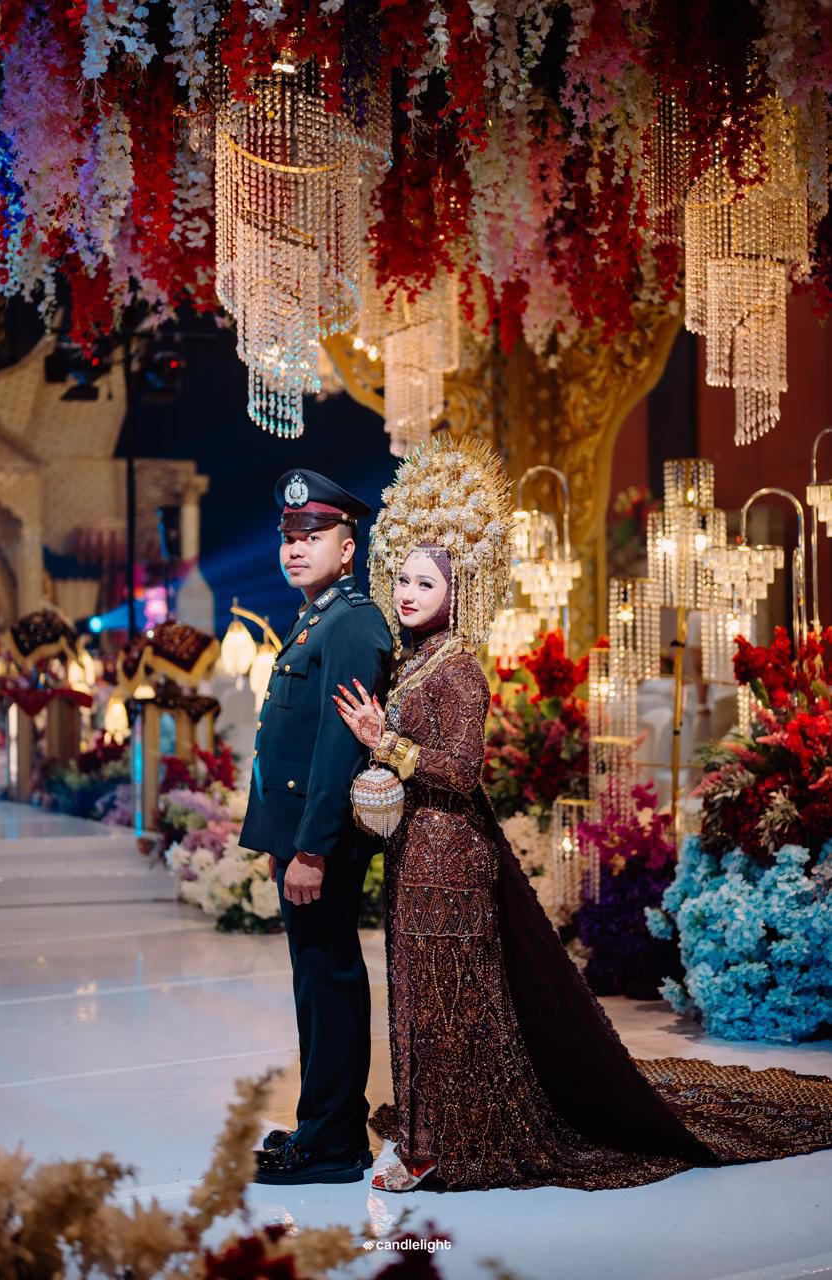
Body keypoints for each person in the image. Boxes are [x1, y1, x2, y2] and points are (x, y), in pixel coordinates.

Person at [333, 436, 832, 1193]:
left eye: (425, 582)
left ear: (458, 590)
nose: (407, 592)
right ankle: (429, 1128)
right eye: (401, 578)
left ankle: (454, 1142)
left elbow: (461, 772)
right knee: (417, 994)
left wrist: (386, 744)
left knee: (452, 1001)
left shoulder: (459, 669)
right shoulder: (413, 661)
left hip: (451, 858)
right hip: (415, 851)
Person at [241, 468, 393, 1186]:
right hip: (301, 839)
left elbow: (338, 749)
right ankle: (322, 1126)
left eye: (313, 535)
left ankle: (333, 1143)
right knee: (315, 979)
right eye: (289, 537)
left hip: (321, 844)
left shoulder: (353, 622)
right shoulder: (316, 617)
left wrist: (312, 848)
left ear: (347, 546)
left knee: (328, 979)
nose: (296, 548)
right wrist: (284, 841)